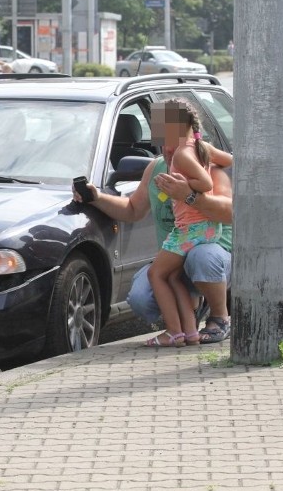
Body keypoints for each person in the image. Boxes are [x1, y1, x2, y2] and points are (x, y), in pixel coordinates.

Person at [71, 102, 233, 345]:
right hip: (178, 249)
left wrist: (188, 194)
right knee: (141, 296)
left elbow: (229, 212)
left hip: (211, 250)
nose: (166, 146)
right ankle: (187, 329)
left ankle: (219, 317)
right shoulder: (156, 167)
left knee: (202, 258)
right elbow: (133, 209)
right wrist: (95, 197)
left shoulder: (205, 164)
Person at [143, 100, 232, 347]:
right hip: (200, 228)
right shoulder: (198, 146)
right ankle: (189, 333)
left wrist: (184, 188)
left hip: (191, 228)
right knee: (172, 278)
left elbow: (204, 182)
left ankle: (173, 332)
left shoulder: (183, 153)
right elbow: (230, 160)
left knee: (156, 274)